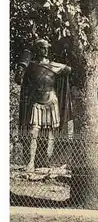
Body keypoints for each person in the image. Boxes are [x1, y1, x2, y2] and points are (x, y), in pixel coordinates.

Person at [14, 39, 72, 172]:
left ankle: (43, 161)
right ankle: (30, 161)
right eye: (42, 48)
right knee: (32, 132)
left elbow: (69, 70)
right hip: (36, 101)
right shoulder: (31, 66)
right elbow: (18, 79)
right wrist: (22, 65)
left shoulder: (54, 65)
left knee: (48, 133)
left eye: (46, 48)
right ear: (37, 49)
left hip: (51, 100)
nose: (45, 50)